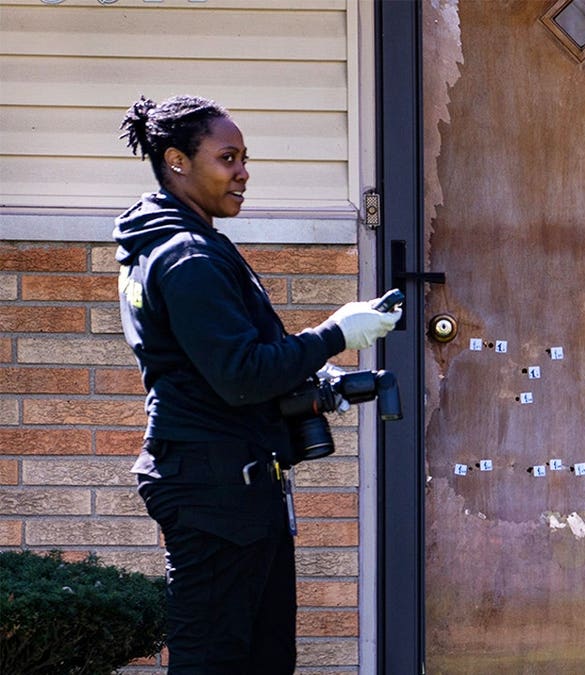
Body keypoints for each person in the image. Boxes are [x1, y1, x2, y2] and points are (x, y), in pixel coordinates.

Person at [114, 94, 400, 674]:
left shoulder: (187, 244)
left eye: (245, 158)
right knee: (215, 660)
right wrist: (333, 334)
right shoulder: (185, 256)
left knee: (264, 658)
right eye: (228, 158)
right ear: (177, 160)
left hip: (235, 482)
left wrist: (320, 377)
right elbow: (240, 375)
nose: (243, 172)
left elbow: (225, 363)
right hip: (214, 489)